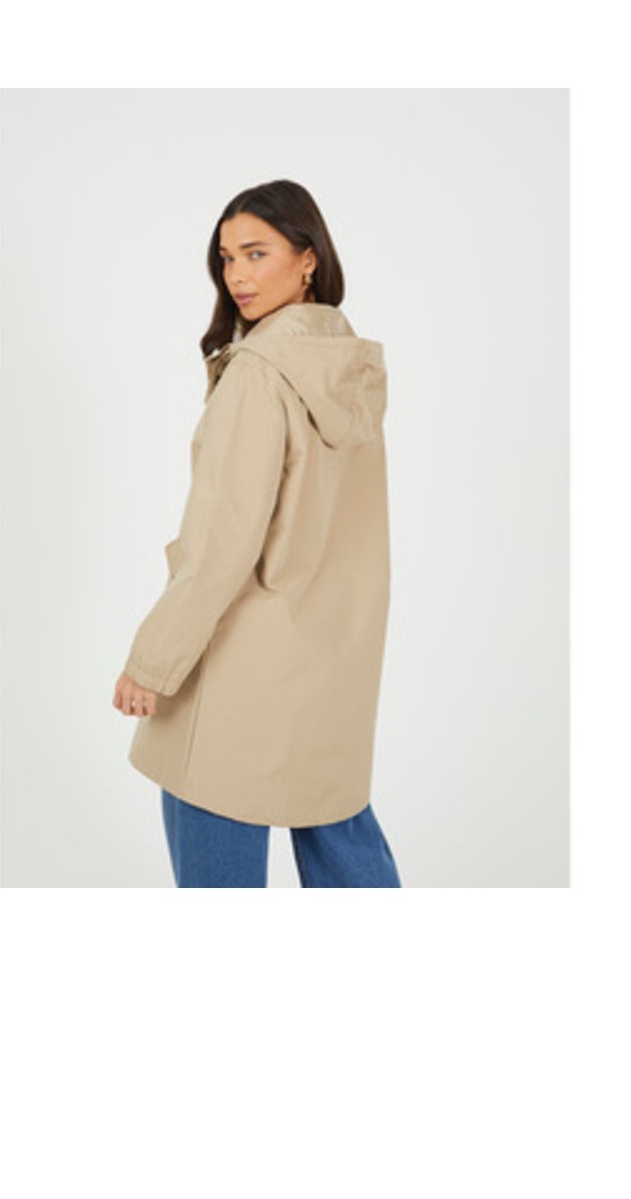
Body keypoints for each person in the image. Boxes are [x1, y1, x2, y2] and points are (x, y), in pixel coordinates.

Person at [112, 179, 401, 888]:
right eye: (226, 258)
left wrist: (152, 662)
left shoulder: (259, 376)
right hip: (332, 668)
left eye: (255, 253)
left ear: (308, 258)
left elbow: (222, 543)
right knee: (342, 836)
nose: (236, 275)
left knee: (215, 847)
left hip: (238, 676)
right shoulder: (348, 368)